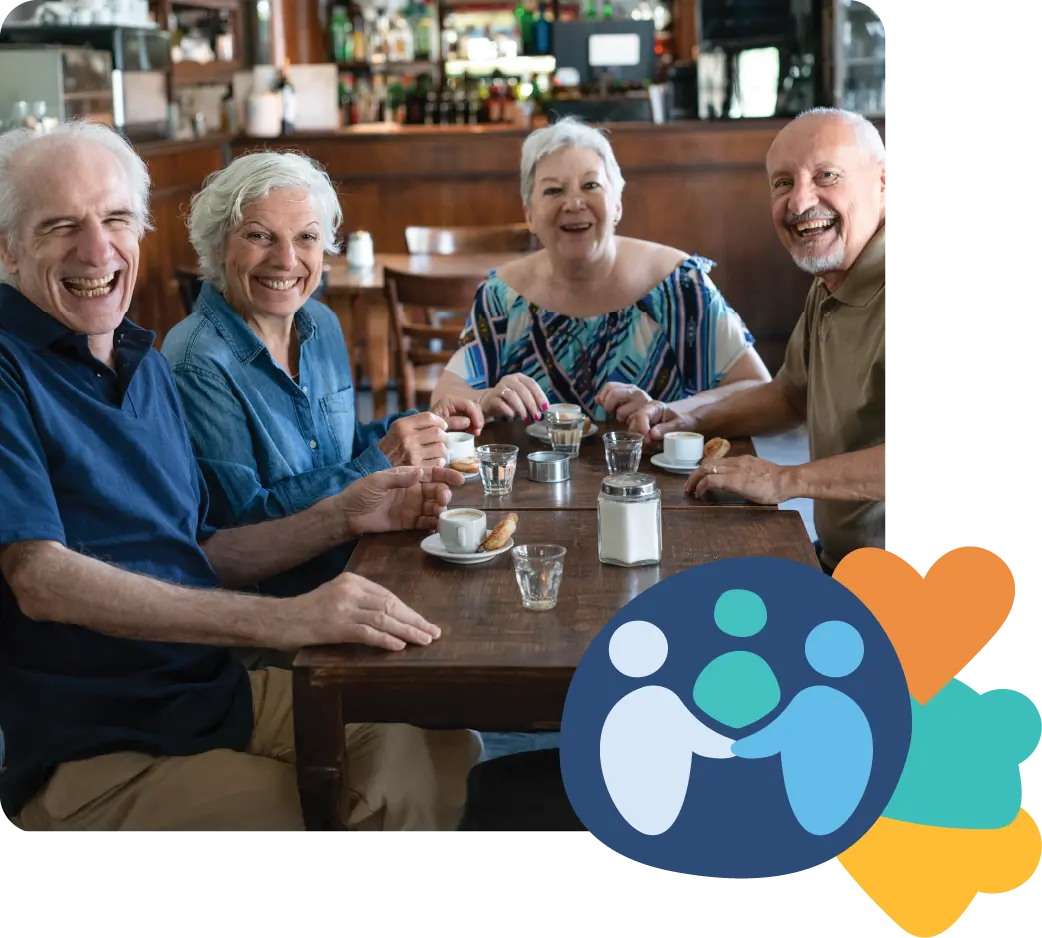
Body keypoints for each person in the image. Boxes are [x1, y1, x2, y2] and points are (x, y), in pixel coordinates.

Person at [0, 121, 482, 832]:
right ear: (9, 247)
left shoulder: (145, 362)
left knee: (441, 753)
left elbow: (207, 548)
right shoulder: (12, 369)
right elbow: (38, 578)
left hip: (207, 694)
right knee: (315, 813)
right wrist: (284, 619)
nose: (97, 249)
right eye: (61, 225)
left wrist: (348, 512)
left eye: (115, 219)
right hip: (98, 745)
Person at [161, 150, 484, 613]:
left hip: (358, 565)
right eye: (259, 235)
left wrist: (421, 425)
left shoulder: (321, 323)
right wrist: (377, 463)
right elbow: (242, 527)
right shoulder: (195, 360)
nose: (286, 259)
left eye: (306, 237)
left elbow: (340, 450)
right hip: (281, 611)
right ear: (217, 245)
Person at [622, 108, 887, 575]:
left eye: (827, 176)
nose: (800, 201)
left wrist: (787, 480)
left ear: (882, 182)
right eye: (783, 183)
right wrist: (681, 414)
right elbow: (789, 395)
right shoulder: (834, 275)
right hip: (840, 562)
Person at [430, 116, 771, 424]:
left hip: (659, 488)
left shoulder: (679, 285)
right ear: (530, 214)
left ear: (617, 203)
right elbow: (443, 399)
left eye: (591, 185)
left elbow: (757, 389)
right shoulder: (501, 297)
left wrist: (672, 411)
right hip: (528, 490)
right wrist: (484, 399)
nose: (574, 203)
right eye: (553, 190)